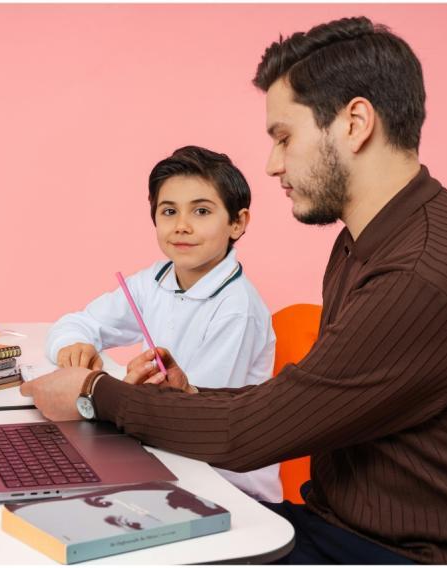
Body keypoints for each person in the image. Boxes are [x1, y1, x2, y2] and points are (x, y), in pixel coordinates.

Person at [23, 16, 447, 564]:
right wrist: (190, 399)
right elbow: (299, 403)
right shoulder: (370, 241)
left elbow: (250, 434)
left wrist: (94, 392)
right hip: (348, 527)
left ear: (355, 123)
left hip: (416, 554)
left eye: (284, 137)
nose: (272, 164)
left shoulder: (417, 274)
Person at [45, 145, 281, 503]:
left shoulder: (237, 309)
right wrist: (73, 346)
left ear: (237, 222)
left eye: (201, 211)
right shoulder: (153, 280)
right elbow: (79, 322)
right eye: (169, 211)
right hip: (162, 457)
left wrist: (118, 393)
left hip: (229, 490)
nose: (181, 226)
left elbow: (193, 421)